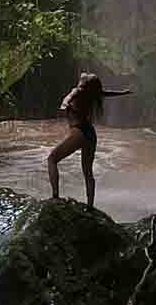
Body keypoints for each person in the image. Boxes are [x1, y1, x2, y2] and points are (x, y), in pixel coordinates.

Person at [47, 72, 132, 209]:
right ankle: (90, 206)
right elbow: (107, 93)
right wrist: (123, 92)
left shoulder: (78, 90)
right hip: (90, 134)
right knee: (88, 172)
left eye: (84, 76)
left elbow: (68, 98)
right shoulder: (93, 93)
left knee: (52, 159)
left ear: (83, 82)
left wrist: (64, 105)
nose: (83, 74)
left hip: (79, 132)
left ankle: (55, 197)